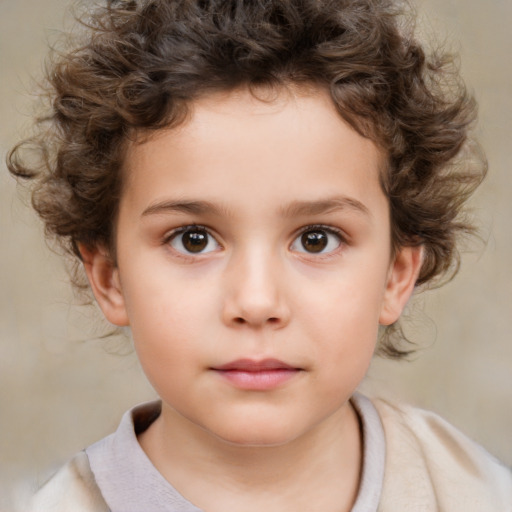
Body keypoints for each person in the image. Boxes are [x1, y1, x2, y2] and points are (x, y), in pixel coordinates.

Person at [7, 0, 512, 510]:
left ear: (395, 276)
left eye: (317, 239)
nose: (255, 301)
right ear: (110, 278)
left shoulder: (476, 493)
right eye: (193, 239)